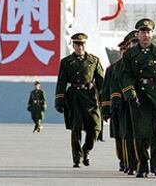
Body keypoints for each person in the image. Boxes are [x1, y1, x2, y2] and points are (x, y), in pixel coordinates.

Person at [121, 18, 156, 178]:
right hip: (138, 97)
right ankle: (142, 166)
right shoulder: (130, 54)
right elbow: (125, 75)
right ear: (138, 34)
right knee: (139, 135)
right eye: (142, 32)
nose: (145, 35)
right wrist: (130, 92)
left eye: (148, 32)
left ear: (152, 34)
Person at [54, 33, 104, 168]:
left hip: (90, 97)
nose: (80, 47)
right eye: (77, 44)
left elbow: (101, 82)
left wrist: (104, 101)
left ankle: (86, 150)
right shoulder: (66, 62)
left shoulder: (94, 60)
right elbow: (61, 82)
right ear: (73, 45)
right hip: (74, 97)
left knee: (95, 128)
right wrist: (59, 99)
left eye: (82, 44)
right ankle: (77, 157)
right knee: (76, 128)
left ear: (85, 45)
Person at [102, 30, 139, 175]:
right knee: (123, 135)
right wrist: (107, 108)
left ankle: (138, 160)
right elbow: (107, 89)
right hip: (122, 105)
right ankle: (127, 161)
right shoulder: (114, 68)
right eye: (125, 48)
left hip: (141, 104)